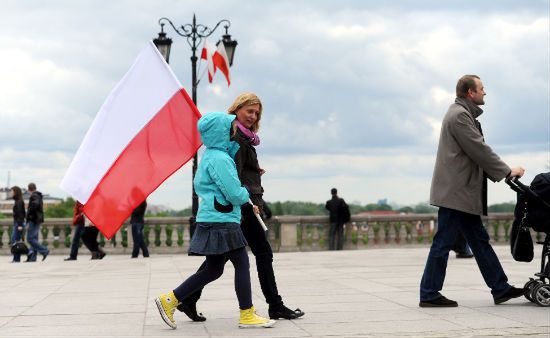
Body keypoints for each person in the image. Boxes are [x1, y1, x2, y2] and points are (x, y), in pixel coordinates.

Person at [178, 93, 304, 322]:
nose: (253, 116)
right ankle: (274, 305)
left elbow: (238, 171)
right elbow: (229, 177)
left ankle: (187, 298)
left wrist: (254, 172)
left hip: (247, 202)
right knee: (261, 254)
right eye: (249, 111)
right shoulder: (235, 139)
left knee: (221, 258)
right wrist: (250, 194)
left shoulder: (241, 138)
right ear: (237, 109)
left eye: (257, 113)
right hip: (244, 206)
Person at [155, 112, 275, 329]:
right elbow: (233, 192)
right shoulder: (220, 159)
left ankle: (170, 300)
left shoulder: (211, 155)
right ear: (222, 131)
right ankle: (247, 314)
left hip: (214, 216)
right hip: (223, 219)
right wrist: (246, 193)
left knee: (213, 268)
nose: (234, 129)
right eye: (231, 127)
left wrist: (243, 197)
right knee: (241, 263)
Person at [419, 75, 526, 307]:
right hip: (456, 193)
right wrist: (507, 171)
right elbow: (479, 149)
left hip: (461, 193)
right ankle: (428, 293)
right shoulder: (459, 116)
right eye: (482, 88)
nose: (485, 92)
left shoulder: (462, 114)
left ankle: (500, 288)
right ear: (470, 93)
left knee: (479, 240)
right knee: (443, 243)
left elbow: (476, 151)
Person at [25, 183, 49, 262]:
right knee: (34, 238)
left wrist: (29, 213)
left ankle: (44, 250)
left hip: (33, 219)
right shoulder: (38, 195)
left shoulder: (34, 195)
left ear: (29, 189)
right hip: (37, 219)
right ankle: (33, 258)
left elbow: (35, 204)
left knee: (30, 238)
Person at [10, 186, 26, 263]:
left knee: (14, 241)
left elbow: (20, 214)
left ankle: (28, 253)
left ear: (15, 192)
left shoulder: (19, 201)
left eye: (12, 191)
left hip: (18, 224)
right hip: (17, 223)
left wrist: (19, 225)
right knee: (16, 241)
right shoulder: (18, 201)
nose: (11, 192)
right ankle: (16, 258)